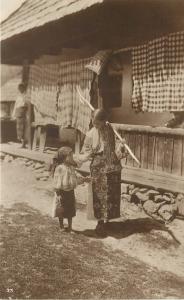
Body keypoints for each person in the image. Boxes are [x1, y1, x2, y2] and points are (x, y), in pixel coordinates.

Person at [81, 109, 125, 237]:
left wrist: (121, 146)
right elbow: (87, 152)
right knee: (99, 195)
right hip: (98, 167)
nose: (95, 125)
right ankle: (100, 222)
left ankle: (108, 220)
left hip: (112, 166)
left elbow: (116, 150)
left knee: (111, 193)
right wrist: (82, 158)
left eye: (98, 123)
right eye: (93, 122)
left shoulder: (111, 130)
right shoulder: (90, 134)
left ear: (104, 121)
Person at [51, 146, 91, 233]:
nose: (72, 157)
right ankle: (61, 226)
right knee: (61, 209)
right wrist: (57, 192)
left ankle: (70, 227)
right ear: (64, 157)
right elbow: (56, 180)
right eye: (70, 156)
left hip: (70, 192)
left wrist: (83, 180)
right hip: (61, 192)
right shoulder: (60, 168)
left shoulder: (71, 168)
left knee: (70, 210)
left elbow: (74, 179)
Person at [12, 83, 27, 148]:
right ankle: (21, 142)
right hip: (18, 113)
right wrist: (13, 115)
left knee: (23, 128)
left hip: (23, 113)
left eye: (21, 88)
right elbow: (15, 106)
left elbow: (27, 105)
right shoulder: (18, 97)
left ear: (24, 88)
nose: (20, 89)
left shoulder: (26, 96)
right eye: (19, 88)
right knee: (18, 128)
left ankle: (23, 143)